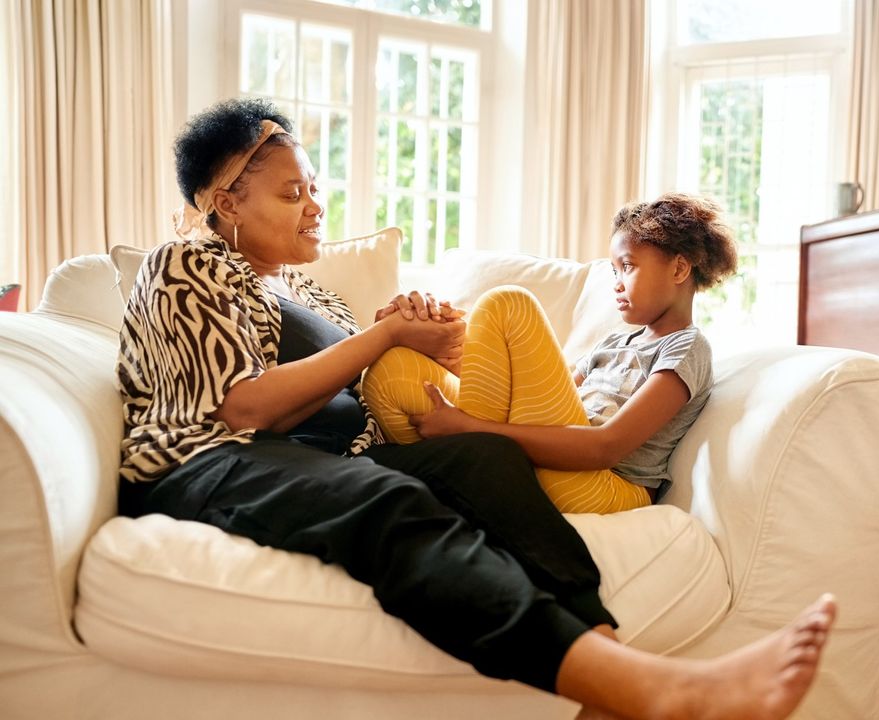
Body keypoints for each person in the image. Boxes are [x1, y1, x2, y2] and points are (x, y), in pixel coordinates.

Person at [116, 96, 835, 720]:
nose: (315, 207)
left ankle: (604, 660)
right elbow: (241, 408)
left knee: (482, 456)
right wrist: (383, 335)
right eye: (289, 194)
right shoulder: (188, 261)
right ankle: (647, 689)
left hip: (321, 453)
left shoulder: (311, 293)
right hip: (210, 458)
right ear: (225, 202)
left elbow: (368, 389)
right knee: (385, 501)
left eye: (314, 188)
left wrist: (429, 344)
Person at [360, 193, 737, 515]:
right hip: (553, 464)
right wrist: (460, 358)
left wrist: (468, 427)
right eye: (614, 270)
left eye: (628, 267)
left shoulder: (687, 347)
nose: (617, 283)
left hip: (604, 486)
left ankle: (467, 453)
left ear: (680, 268)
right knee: (392, 372)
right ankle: (459, 476)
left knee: (510, 304)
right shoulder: (612, 344)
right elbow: (533, 398)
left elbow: (605, 448)